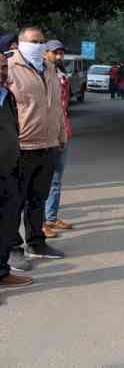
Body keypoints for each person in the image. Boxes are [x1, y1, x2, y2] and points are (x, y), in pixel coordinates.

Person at [6, 27, 66, 269]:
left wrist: (61, 134)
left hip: (49, 144)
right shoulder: (9, 68)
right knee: (14, 201)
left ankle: (36, 242)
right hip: (21, 146)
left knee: (38, 198)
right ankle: (12, 248)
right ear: (20, 43)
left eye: (42, 41)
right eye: (34, 41)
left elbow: (57, 106)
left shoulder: (49, 67)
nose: (39, 45)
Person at [0, 54, 34, 288]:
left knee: (8, 222)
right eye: (0, 67)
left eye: (4, 67)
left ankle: (2, 272)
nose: (3, 71)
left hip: (9, 171)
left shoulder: (7, 95)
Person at [42, 40, 74, 238]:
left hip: (63, 132)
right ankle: (41, 224)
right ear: (45, 53)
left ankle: (51, 218)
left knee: (56, 180)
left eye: (61, 53)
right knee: (43, 181)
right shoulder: (40, 74)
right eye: (56, 53)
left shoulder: (60, 74)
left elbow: (63, 106)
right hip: (45, 135)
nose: (59, 56)